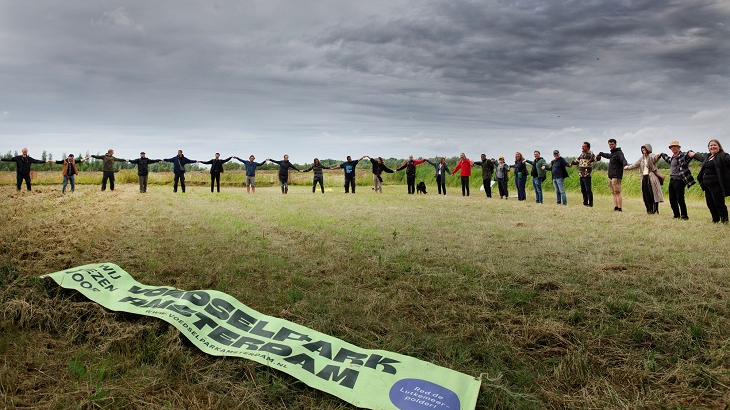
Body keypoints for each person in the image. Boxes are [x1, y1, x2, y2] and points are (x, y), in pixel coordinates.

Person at [658, 141, 696, 220]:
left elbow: (688, 155)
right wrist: (661, 154)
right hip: (672, 180)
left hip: (679, 180)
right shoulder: (672, 158)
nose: (673, 148)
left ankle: (684, 216)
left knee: (680, 198)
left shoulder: (682, 156)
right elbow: (667, 158)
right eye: (672, 147)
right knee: (672, 199)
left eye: (675, 146)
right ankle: (676, 215)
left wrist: (690, 153)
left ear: (679, 148)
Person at [695, 139, 730, 223]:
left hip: (717, 184)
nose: (712, 147)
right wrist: (693, 154)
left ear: (719, 147)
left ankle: (724, 220)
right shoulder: (708, 157)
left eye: (715, 145)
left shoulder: (723, 155)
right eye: (710, 145)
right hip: (707, 185)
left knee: (719, 203)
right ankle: (715, 219)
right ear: (708, 147)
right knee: (710, 203)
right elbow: (700, 158)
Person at [625, 144, 664, 214]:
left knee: (653, 193)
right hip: (644, 177)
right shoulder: (642, 158)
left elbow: (654, 158)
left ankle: (655, 209)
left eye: (645, 149)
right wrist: (628, 167)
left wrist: (658, 156)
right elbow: (636, 164)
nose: (643, 151)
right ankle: (649, 209)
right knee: (646, 194)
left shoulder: (651, 155)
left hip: (651, 176)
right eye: (642, 150)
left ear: (648, 149)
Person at [596, 139, 628, 212]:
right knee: (613, 192)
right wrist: (601, 153)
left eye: (612, 144)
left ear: (615, 144)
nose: (611, 146)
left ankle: (620, 208)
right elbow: (608, 155)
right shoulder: (613, 154)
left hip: (616, 176)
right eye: (610, 144)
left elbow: (623, 160)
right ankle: (616, 207)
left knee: (617, 192)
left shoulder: (619, 153)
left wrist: (625, 165)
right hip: (611, 175)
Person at [571, 142, 596, 207]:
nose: (582, 148)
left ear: (588, 147)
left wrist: (598, 157)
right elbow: (577, 161)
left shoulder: (590, 154)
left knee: (588, 190)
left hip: (587, 174)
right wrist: (572, 163)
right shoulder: (582, 154)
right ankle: (585, 203)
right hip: (581, 174)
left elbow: (595, 159)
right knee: (583, 190)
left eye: (584, 146)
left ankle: (590, 204)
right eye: (582, 146)